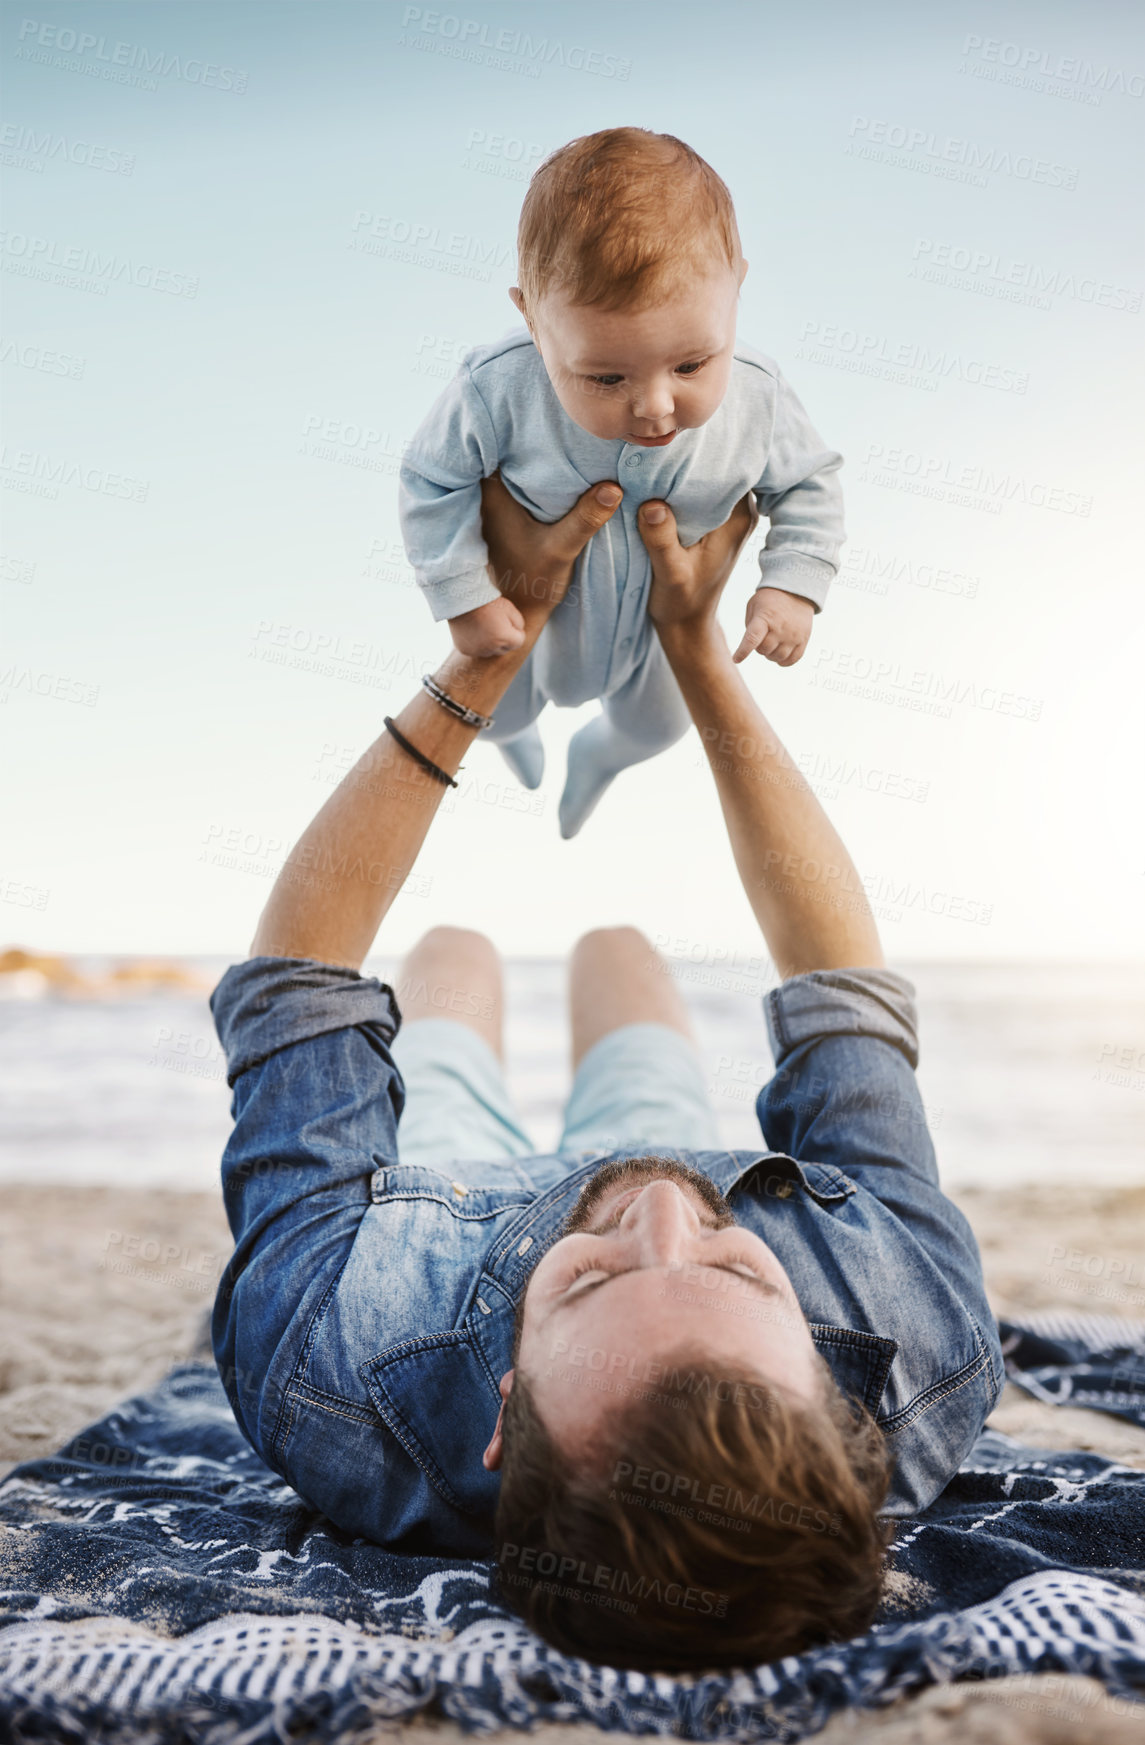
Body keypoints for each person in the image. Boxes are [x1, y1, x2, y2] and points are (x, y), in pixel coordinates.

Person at [210, 476, 1003, 1673]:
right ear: (835, 1395)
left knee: (451, 952)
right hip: (682, 1161)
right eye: (744, 1272)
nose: (655, 1214)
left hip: (436, 1225)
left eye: (591, 1283)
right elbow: (837, 979)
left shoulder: (324, 1375)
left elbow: (298, 977)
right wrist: (695, 648)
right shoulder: (916, 1327)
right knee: (619, 949)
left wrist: (491, 653)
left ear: (503, 1420)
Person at [399, 127, 844, 836]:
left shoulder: (758, 397)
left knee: (657, 728)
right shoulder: (496, 386)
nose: (655, 406)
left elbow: (809, 483)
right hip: (527, 618)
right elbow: (431, 477)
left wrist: (790, 584)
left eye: (692, 365)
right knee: (491, 714)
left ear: (736, 293)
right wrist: (461, 592)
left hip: (656, 638)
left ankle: (599, 759)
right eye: (605, 377)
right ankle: (516, 741)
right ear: (533, 322)